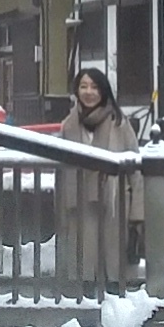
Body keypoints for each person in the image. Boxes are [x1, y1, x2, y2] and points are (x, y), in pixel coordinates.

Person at [56, 59, 142, 293]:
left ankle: (116, 299)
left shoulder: (119, 122)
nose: (89, 92)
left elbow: (135, 167)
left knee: (114, 263)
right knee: (84, 260)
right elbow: (62, 169)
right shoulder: (69, 125)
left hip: (114, 201)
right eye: (83, 86)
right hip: (80, 201)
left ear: (103, 91)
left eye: (94, 87)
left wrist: (137, 212)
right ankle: (84, 300)